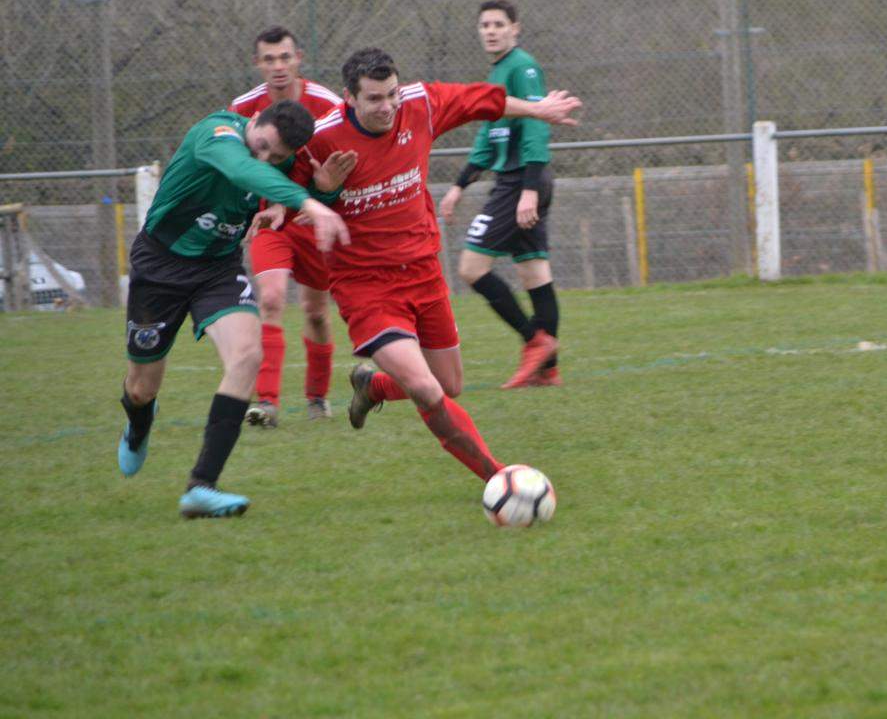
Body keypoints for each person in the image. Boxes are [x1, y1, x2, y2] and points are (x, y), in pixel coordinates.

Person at [279, 47, 580, 483]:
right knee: (425, 389)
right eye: (374, 99)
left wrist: (538, 109)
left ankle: (372, 386)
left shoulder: (418, 104)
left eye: (391, 95)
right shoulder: (321, 139)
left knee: (448, 384)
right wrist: (323, 191)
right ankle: (499, 479)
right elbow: (283, 201)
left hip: (423, 273)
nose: (387, 107)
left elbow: (484, 100)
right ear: (349, 97)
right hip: (366, 286)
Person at [117, 101, 352, 519]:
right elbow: (245, 170)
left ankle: (201, 487)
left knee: (247, 355)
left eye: (276, 156)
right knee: (140, 388)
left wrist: (311, 197)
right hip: (159, 268)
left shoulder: (281, 159)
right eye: (261, 145)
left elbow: (283, 188)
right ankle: (139, 422)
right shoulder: (217, 134)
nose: (264, 157)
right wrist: (313, 205)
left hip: (217, 270)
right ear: (254, 121)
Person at [438, 0, 562, 389]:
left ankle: (534, 342)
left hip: (521, 182)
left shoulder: (523, 67)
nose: (490, 31)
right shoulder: (496, 74)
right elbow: (488, 137)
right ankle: (548, 370)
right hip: (516, 181)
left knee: (471, 268)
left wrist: (528, 190)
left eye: (498, 24)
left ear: (515, 29)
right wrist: (460, 184)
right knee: (534, 271)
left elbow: (538, 127)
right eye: (484, 25)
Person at [230, 26, 344, 427]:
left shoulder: (328, 104)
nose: (278, 66)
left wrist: (317, 196)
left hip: (313, 219)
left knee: (315, 311)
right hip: (268, 220)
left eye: (285, 57)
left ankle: (317, 397)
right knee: (272, 299)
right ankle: (267, 402)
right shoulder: (243, 108)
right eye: (269, 59)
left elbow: (337, 168)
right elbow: (236, 167)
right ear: (257, 63)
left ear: (299, 58)